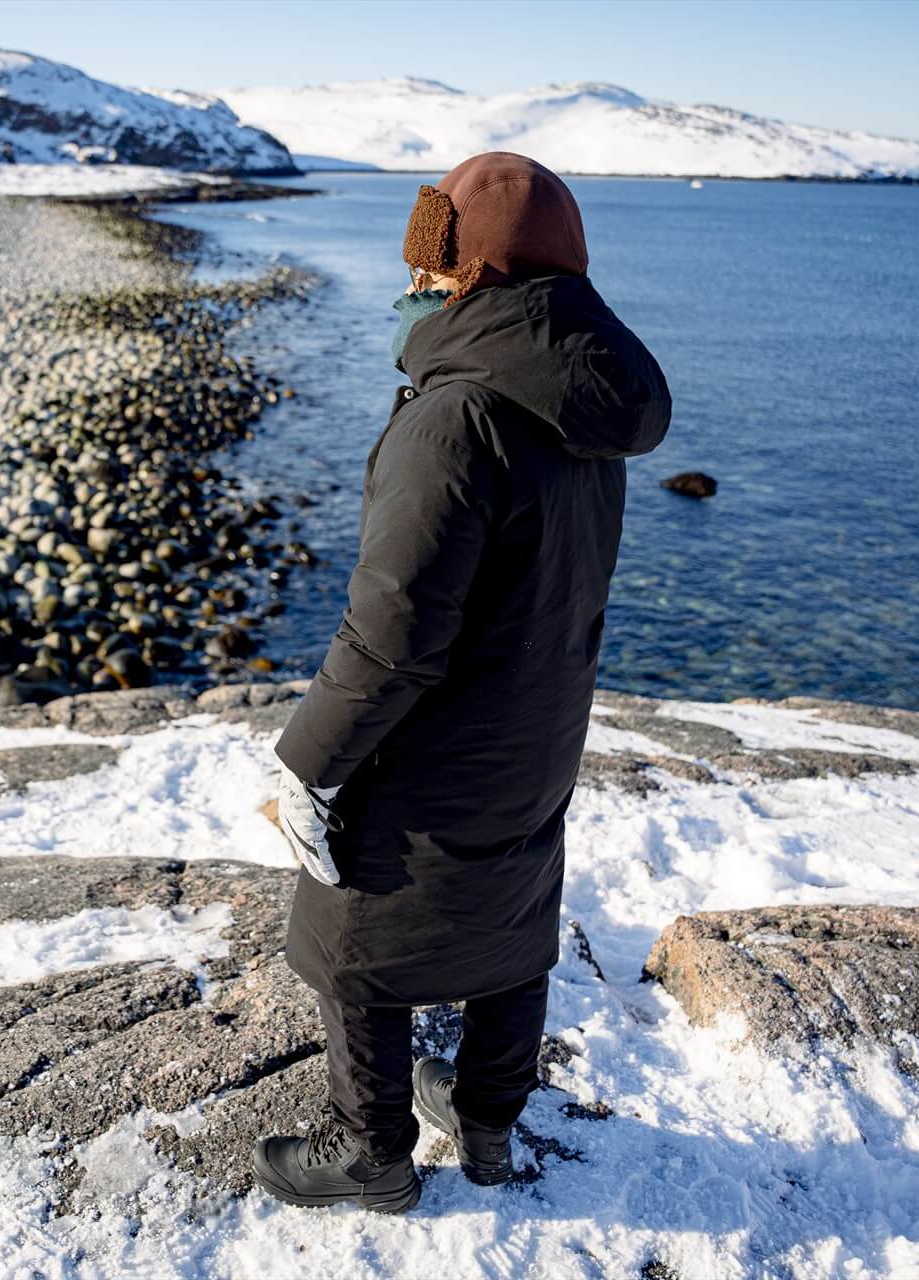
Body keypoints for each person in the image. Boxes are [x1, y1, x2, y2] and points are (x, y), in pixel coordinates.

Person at [253, 151, 672, 1213]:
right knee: (508, 910)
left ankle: (369, 1153)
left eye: (431, 270)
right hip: (537, 726)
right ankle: (486, 1121)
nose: (415, 287)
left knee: (352, 929)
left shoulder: (454, 417)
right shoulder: (584, 402)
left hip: (430, 739)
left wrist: (307, 763)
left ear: (472, 274)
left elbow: (391, 634)